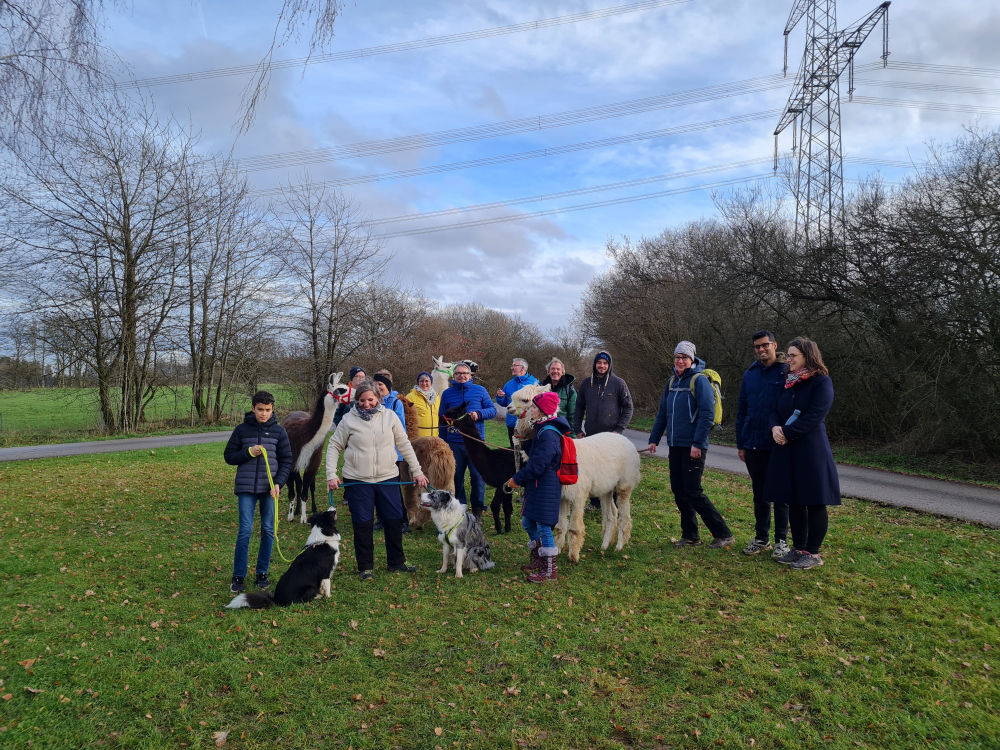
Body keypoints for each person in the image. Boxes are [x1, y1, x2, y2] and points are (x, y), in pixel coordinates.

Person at [326, 379, 427, 581]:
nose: (366, 404)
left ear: (378, 398)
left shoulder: (389, 417)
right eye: (362, 400)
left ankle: (396, 561)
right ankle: (365, 566)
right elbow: (334, 446)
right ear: (357, 400)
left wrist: (417, 470)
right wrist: (331, 474)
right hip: (358, 480)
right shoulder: (348, 420)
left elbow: (405, 444)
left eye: (370, 399)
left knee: (393, 520)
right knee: (362, 523)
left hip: (387, 478)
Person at [647, 341, 735, 549]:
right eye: (677, 357)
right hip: (675, 445)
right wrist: (654, 439)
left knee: (693, 491)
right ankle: (690, 535)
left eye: (684, 357)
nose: (680, 361)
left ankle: (723, 533)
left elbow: (707, 414)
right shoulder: (671, 383)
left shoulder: (699, 381)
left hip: (694, 446)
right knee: (679, 490)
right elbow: (662, 414)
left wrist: (697, 442)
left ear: (692, 359)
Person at [764, 337, 840, 570]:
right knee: (794, 500)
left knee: (815, 501)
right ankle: (798, 549)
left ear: (808, 356)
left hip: (811, 451)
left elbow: (814, 415)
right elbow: (775, 410)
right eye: (788, 355)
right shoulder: (789, 382)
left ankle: (813, 554)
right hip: (788, 450)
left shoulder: (822, 383)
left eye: (794, 355)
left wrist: (786, 431)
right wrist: (775, 427)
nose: (789, 359)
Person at [223, 390, 293, 594]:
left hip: (269, 489)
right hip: (246, 488)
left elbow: (286, 460)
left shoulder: (279, 432)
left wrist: (279, 483)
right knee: (245, 530)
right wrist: (247, 453)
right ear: (253, 408)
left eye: (268, 410)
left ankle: (262, 572)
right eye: (260, 409)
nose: (264, 414)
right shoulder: (241, 430)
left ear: (273, 409)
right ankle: (238, 575)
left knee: (268, 530)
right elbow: (229, 456)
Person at [736, 330, 789, 558]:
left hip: (778, 444)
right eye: (757, 346)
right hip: (753, 443)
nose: (761, 349)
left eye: (765, 345)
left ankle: (782, 541)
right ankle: (761, 538)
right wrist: (741, 443)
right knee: (760, 494)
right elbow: (742, 410)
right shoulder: (750, 373)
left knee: (781, 495)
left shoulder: (786, 371)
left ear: (774, 345)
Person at [506, 391, 568, 583]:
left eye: (533, 407)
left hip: (545, 484)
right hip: (537, 483)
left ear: (541, 412)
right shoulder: (542, 429)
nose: (531, 410)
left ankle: (550, 570)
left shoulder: (548, 433)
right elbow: (536, 454)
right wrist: (524, 442)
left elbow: (538, 464)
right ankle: (539, 559)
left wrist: (517, 478)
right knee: (528, 522)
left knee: (542, 525)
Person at [438, 361, 497, 523]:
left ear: (471, 375)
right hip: (454, 442)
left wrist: (479, 414)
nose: (462, 376)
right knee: (456, 477)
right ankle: (460, 507)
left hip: (475, 442)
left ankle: (478, 509)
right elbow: (442, 418)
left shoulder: (480, 391)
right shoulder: (447, 393)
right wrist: (443, 442)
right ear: (454, 376)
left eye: (465, 373)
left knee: (478, 476)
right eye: (458, 373)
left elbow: (492, 410)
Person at [573, 350, 633, 511]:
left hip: (611, 437)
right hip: (591, 435)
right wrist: (578, 429)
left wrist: (619, 429)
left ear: (609, 365)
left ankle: (612, 502)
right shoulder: (586, 383)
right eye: (599, 363)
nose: (602, 366)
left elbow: (628, 408)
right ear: (595, 364)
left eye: (605, 363)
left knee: (610, 470)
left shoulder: (618, 383)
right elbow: (579, 408)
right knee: (593, 468)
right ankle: (595, 503)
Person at [372, 370, 410, 534]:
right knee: (376, 487)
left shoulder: (396, 403)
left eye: (380, 384)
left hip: (393, 452)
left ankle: (403, 520)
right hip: (374, 453)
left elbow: (400, 428)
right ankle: (381, 518)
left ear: (387, 386)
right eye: (376, 385)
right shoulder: (371, 402)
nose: (378, 387)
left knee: (393, 488)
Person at [495, 358, 538, 446]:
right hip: (512, 424)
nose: (511, 368)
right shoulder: (509, 384)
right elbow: (504, 403)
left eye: (514, 365)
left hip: (530, 426)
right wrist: (500, 397)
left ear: (522, 368)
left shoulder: (535, 384)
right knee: (514, 452)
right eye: (512, 365)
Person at [406, 371, 439, 438]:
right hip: (418, 439)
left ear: (431, 383)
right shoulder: (410, 397)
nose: (424, 383)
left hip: (435, 438)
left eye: (427, 381)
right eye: (421, 381)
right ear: (418, 383)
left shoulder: (437, 397)